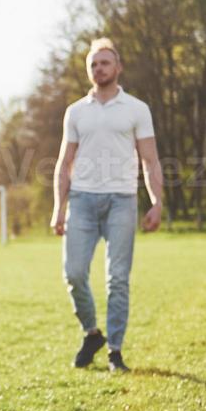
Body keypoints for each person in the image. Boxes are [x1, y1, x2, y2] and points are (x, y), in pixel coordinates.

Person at [51, 38, 164, 373]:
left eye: (104, 63)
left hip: (122, 202)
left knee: (117, 279)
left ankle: (115, 350)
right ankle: (92, 334)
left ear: (118, 67)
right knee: (73, 274)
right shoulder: (76, 111)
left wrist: (157, 201)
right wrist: (59, 207)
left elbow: (150, 160)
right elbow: (63, 163)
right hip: (82, 202)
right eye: (93, 64)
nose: (98, 68)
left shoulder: (137, 109)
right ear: (89, 71)